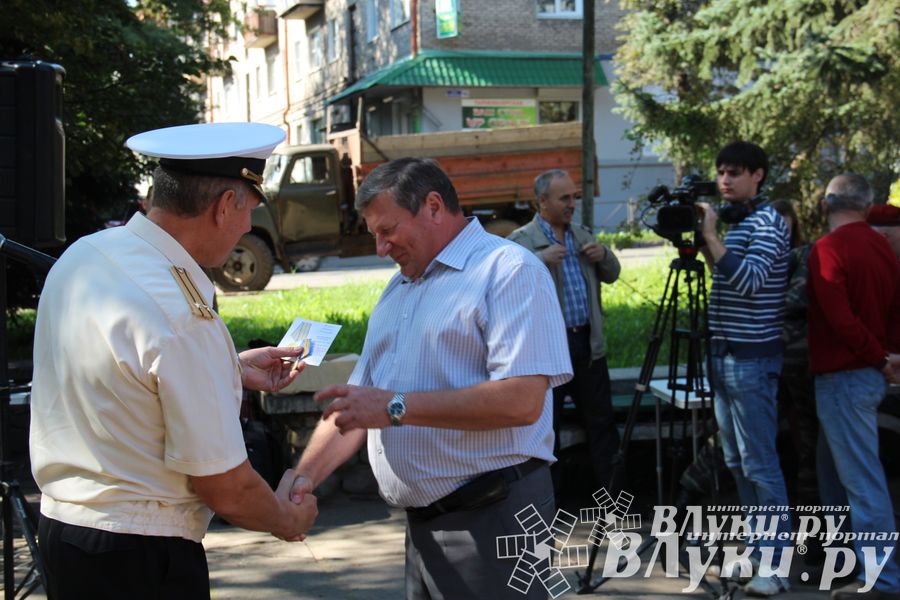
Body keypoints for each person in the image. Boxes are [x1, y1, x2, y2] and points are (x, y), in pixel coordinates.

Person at [29, 122, 318, 600]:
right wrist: (288, 518)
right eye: (247, 209)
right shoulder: (182, 315)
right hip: (138, 556)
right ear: (225, 206)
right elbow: (226, 487)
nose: (248, 226)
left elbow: (119, 374)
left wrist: (228, 367)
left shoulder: (87, 255)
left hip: (66, 531)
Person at [288, 157, 572, 599]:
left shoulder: (509, 270)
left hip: (494, 519)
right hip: (423, 528)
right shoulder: (400, 286)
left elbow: (521, 402)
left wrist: (395, 407)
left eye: (388, 230)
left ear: (434, 206)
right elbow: (357, 407)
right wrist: (302, 478)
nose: (381, 248)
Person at [696, 141, 792, 597]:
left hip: (752, 360)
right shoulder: (736, 225)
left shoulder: (768, 222)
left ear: (758, 175)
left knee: (761, 464)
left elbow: (751, 282)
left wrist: (712, 236)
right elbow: (725, 276)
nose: (725, 180)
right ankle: (758, 548)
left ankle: (776, 563)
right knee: (736, 460)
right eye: (720, 172)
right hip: (723, 355)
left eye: (735, 172)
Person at [807, 173, 900, 600]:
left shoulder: (827, 249)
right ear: (866, 206)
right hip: (868, 372)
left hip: (845, 375)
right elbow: (894, 308)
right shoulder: (881, 246)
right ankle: (853, 563)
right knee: (848, 475)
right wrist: (888, 355)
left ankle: (883, 578)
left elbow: (840, 320)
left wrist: (879, 356)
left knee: (863, 481)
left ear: (825, 205)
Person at [507, 169, 621, 494]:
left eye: (574, 196)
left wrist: (605, 256)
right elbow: (504, 283)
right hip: (546, 352)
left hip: (588, 345)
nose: (572, 203)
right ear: (543, 202)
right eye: (564, 198)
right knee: (546, 431)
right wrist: (539, 259)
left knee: (602, 426)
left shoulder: (582, 234)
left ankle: (612, 503)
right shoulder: (522, 241)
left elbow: (612, 274)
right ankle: (546, 505)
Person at [770, 200, 818, 509]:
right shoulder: (753, 260)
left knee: (808, 442)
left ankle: (813, 528)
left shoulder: (804, 255)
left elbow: (796, 300)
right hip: (765, 361)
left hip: (797, 360)